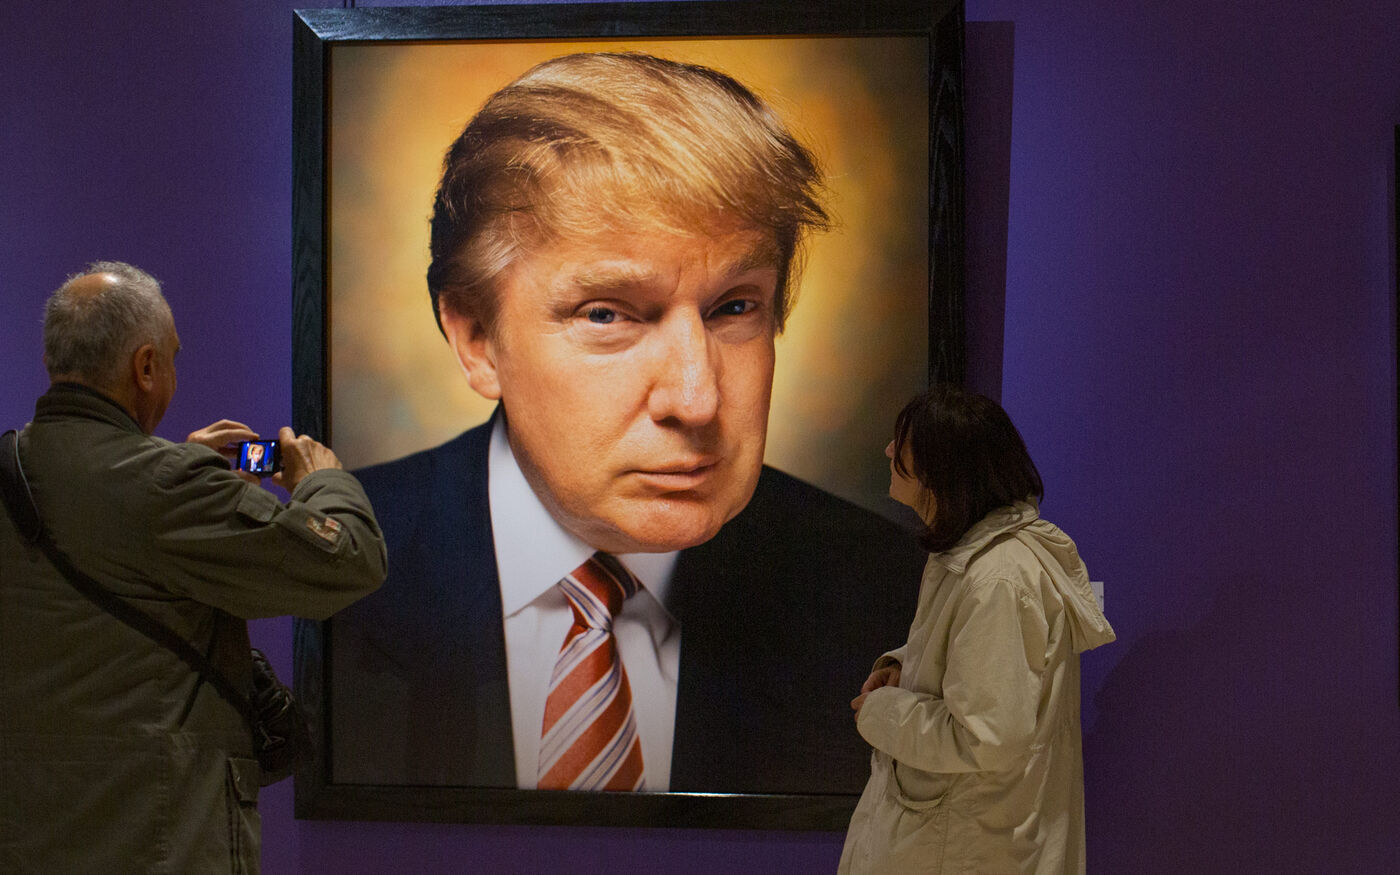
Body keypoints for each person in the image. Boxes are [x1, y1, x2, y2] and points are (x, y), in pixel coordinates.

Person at [328, 51, 927, 794]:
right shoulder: (315, 576)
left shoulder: (897, 598)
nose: (697, 399)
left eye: (735, 307)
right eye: (607, 314)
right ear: (477, 339)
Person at [0, 262, 387, 873]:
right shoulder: (165, 488)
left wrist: (168, 468)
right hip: (155, 844)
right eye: (172, 359)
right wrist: (322, 482)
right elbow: (349, 560)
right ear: (146, 367)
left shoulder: (19, 472)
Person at [840, 385, 1116, 874]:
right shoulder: (977, 558)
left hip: (966, 850)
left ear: (941, 469)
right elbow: (985, 667)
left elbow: (986, 735)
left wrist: (882, 713)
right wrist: (905, 667)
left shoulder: (998, 577)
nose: (888, 451)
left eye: (903, 446)